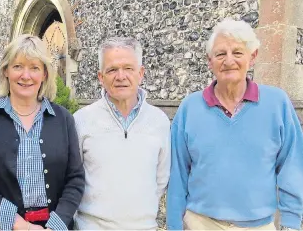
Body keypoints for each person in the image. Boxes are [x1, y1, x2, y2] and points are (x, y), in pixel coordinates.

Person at [167, 19, 303, 231]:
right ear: (209, 61)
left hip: (258, 227)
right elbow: (178, 173)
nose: (229, 60)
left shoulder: (277, 104)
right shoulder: (189, 108)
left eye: (237, 53)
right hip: (200, 223)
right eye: (221, 54)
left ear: (253, 57)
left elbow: (292, 167)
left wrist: (292, 224)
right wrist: (174, 225)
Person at [0, 34, 85, 230]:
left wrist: (55, 225)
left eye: (34, 68)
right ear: (5, 70)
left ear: (45, 74)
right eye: (18, 66)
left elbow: (75, 178)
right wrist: (19, 224)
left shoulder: (63, 118)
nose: (26, 75)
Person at [73, 37, 171, 229]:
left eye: (128, 68)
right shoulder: (81, 120)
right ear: (101, 77)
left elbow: (161, 180)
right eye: (112, 70)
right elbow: (72, 180)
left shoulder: (159, 122)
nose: (121, 76)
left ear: (141, 73)